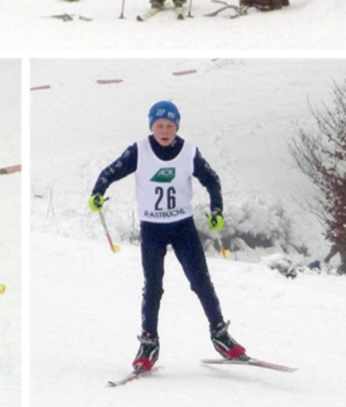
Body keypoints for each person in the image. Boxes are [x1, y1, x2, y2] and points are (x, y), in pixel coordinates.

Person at [89, 100, 246, 373]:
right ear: (151, 127)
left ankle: (220, 334)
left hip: (182, 227)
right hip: (152, 229)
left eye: (170, 126)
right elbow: (109, 172)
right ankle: (149, 343)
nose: (164, 131)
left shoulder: (188, 152)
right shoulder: (139, 151)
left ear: (176, 127)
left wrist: (217, 209)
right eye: (159, 125)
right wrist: (98, 193)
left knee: (201, 282)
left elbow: (212, 180)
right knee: (153, 287)